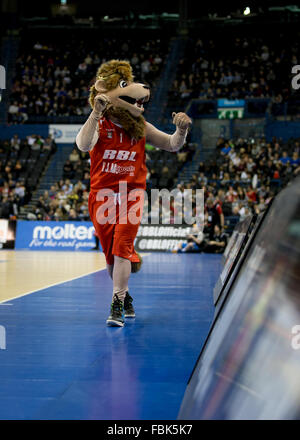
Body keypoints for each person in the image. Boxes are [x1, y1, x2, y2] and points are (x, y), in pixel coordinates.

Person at [76, 59, 191, 327]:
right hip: (101, 196)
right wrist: (95, 113)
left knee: (122, 249)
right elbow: (83, 145)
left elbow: (172, 145)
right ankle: (126, 296)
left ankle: (116, 303)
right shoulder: (100, 123)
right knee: (109, 258)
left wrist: (181, 130)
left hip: (131, 194)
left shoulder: (141, 127)